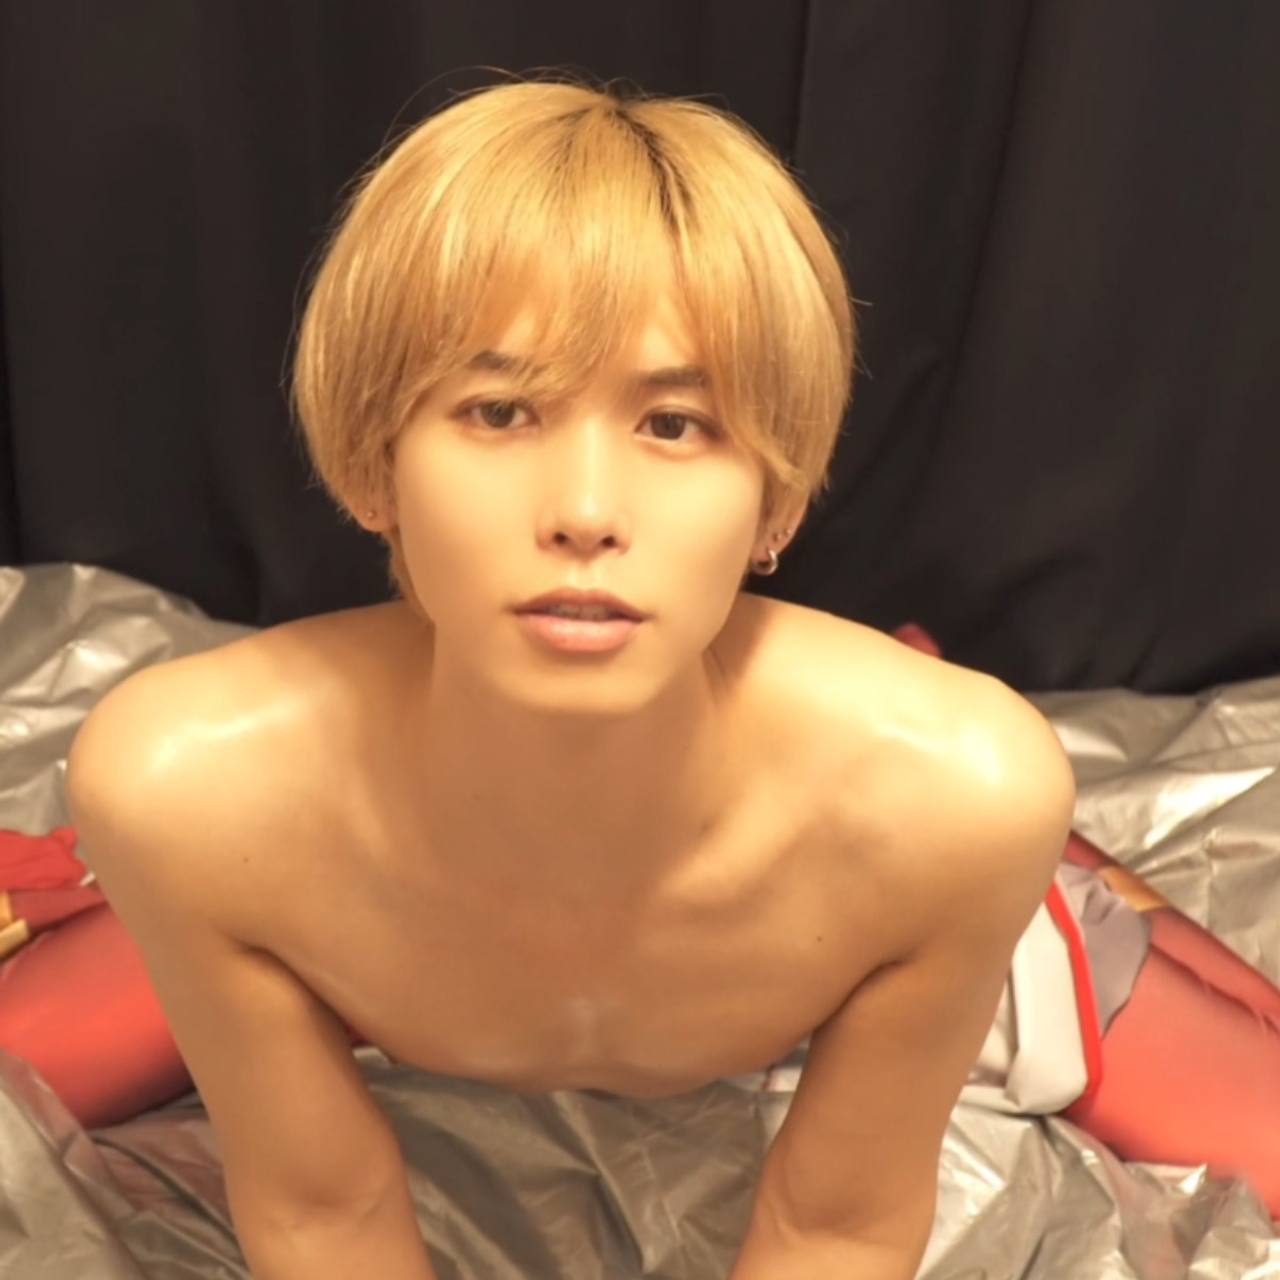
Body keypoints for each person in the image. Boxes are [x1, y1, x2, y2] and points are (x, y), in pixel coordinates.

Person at [11, 73, 1270, 1280]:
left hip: (882, 828)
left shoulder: (956, 803)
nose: (584, 510)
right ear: (372, 464)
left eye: (673, 423)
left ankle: (1037, 842)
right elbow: (320, 1207)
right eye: (500, 411)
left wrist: (986, 847)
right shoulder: (187, 791)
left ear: (776, 500)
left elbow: (834, 1223)